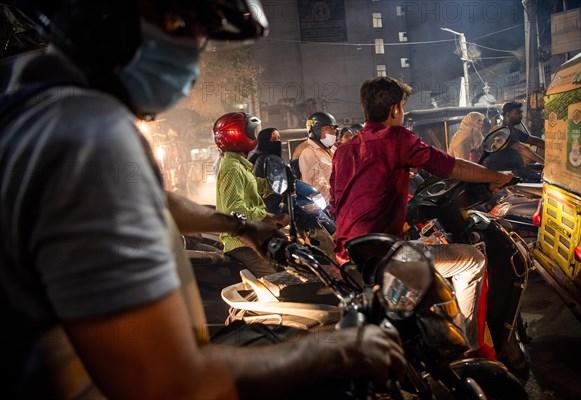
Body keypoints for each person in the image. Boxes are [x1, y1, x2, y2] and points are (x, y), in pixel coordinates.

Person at [0, 2, 406, 399]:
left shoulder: (30, 99)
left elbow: (153, 200)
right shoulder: (88, 136)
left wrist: (241, 226)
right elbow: (170, 383)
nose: (198, 49)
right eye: (181, 22)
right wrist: (336, 349)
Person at [330, 76, 514, 353]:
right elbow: (452, 167)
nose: (402, 114)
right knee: (473, 261)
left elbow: (337, 202)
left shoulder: (344, 150)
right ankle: (472, 351)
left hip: (347, 254)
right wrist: (499, 176)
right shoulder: (396, 138)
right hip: (384, 256)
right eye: (402, 107)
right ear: (394, 110)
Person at [214, 113, 289, 277]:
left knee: (287, 263)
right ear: (240, 135)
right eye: (251, 132)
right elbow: (234, 209)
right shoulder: (232, 168)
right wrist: (268, 217)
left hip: (253, 236)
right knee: (278, 279)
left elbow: (256, 185)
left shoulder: (240, 165)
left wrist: (283, 184)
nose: (254, 136)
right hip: (241, 243)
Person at [292, 111, 338, 202]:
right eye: (328, 128)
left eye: (333, 129)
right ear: (315, 130)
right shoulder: (308, 153)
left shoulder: (333, 149)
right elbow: (317, 187)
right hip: (330, 206)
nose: (333, 132)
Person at [485, 101, 544, 171]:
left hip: (512, 170)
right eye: (517, 113)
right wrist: (544, 163)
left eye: (521, 113)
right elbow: (522, 148)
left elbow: (535, 141)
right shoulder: (501, 131)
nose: (521, 116)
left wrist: (552, 147)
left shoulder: (514, 131)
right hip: (500, 173)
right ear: (508, 114)